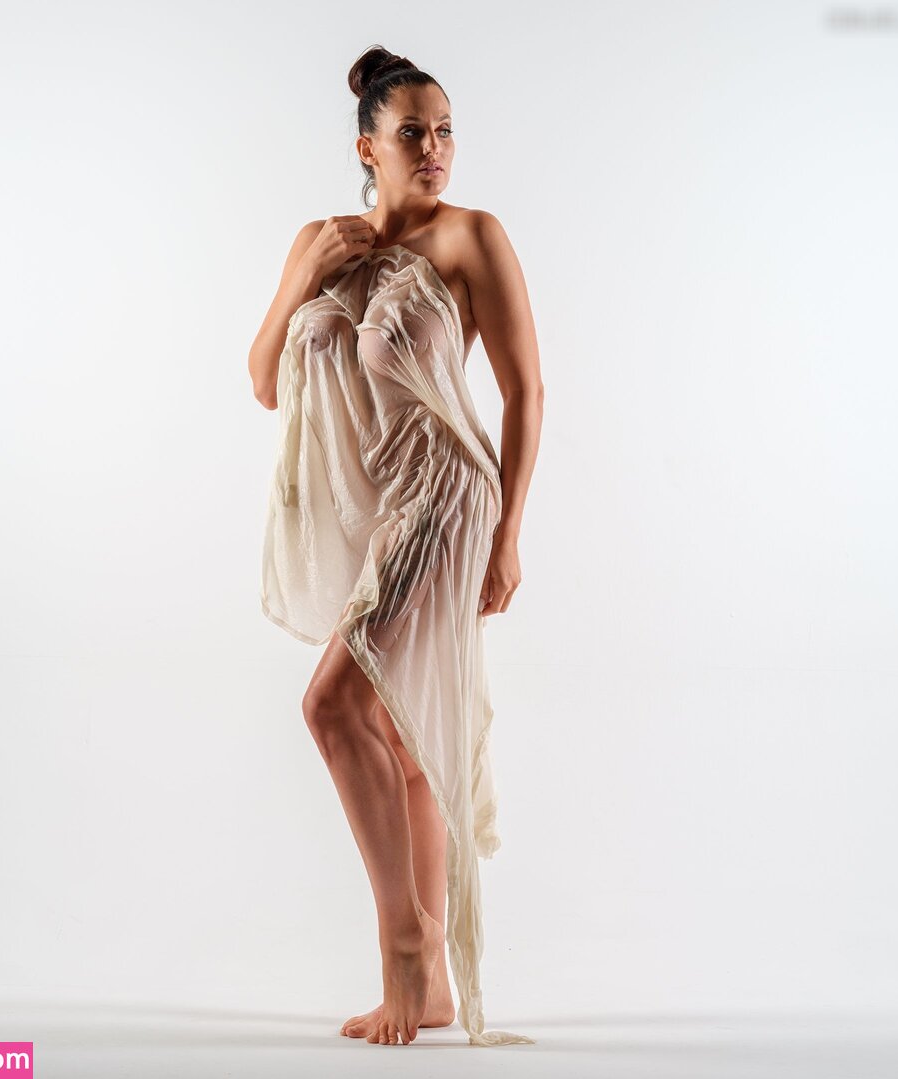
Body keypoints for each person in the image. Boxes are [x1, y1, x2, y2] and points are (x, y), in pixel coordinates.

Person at [251, 45, 544, 1048]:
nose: (434, 149)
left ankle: (408, 950)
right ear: (366, 148)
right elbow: (264, 379)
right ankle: (433, 989)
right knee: (402, 736)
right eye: (412, 132)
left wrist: (509, 534)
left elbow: (525, 392)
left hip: (446, 494)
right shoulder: (320, 241)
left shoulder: (472, 236)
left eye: (445, 130)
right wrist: (304, 275)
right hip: (378, 505)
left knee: (332, 704)